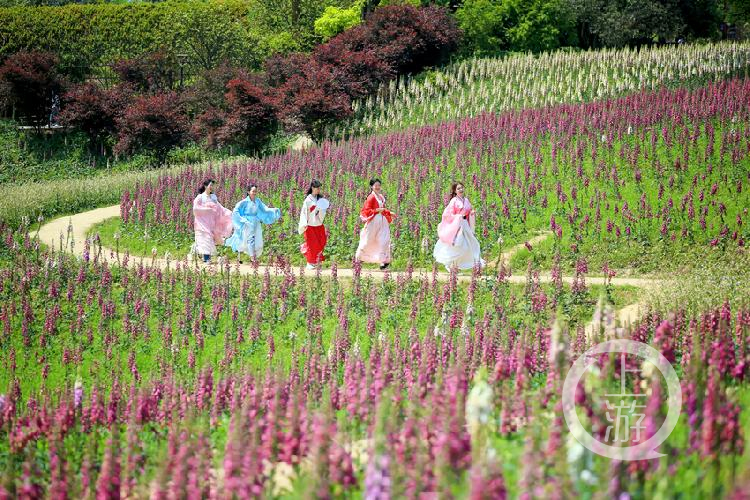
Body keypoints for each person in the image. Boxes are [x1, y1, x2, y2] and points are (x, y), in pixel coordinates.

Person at [433, 182, 485, 271]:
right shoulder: (454, 201)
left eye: (461, 188)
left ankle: (471, 262)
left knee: (470, 243)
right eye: (458, 189)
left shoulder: (466, 200)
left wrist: (471, 213)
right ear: (455, 191)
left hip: (465, 224)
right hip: (457, 226)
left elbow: (469, 211)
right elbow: (447, 214)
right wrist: (457, 217)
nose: (461, 190)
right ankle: (451, 264)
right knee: (458, 245)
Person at [225, 184, 281, 262]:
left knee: (257, 238)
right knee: (250, 239)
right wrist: (243, 220)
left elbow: (264, 209)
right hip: (247, 222)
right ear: (248, 192)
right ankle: (252, 258)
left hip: (256, 222)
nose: (255, 193)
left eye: (256, 191)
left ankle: (253, 255)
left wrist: (273, 210)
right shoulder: (244, 202)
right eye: (253, 191)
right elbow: (236, 211)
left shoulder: (257, 201)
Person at [355, 178, 394, 270]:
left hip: (382, 221)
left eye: (379, 185)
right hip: (373, 221)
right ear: (371, 186)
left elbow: (383, 209)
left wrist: (389, 213)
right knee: (368, 240)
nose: (377, 187)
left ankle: (383, 262)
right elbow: (366, 210)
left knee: (384, 240)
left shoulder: (380, 197)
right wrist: (376, 210)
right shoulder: (371, 197)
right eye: (375, 185)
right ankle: (359, 258)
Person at [191, 179, 233, 263]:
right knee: (206, 239)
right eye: (210, 185)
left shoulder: (213, 197)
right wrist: (207, 209)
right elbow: (195, 209)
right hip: (202, 223)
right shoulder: (200, 197)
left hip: (212, 222)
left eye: (212, 186)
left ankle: (196, 249)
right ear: (206, 186)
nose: (212, 187)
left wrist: (228, 212)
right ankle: (207, 259)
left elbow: (219, 207)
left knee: (211, 239)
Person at [298, 179, 330, 270]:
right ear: (312, 188)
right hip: (310, 225)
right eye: (317, 188)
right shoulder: (307, 200)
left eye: (319, 188)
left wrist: (320, 210)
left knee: (321, 242)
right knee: (312, 245)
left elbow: (323, 212)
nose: (318, 190)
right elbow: (303, 212)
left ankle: (316, 260)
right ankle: (310, 262)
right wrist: (304, 223)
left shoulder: (320, 199)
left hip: (319, 225)